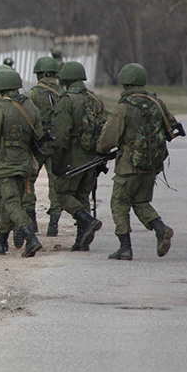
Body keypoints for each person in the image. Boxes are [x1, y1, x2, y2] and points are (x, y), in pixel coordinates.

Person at [97, 63, 180, 260]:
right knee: (141, 201)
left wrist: (100, 149)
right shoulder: (157, 103)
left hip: (128, 166)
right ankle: (161, 229)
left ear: (125, 83)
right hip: (151, 164)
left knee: (119, 203)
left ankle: (125, 247)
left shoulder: (123, 107)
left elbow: (108, 139)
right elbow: (172, 129)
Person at [0, 68, 44, 257]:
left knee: (5, 203)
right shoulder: (30, 107)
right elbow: (40, 135)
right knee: (13, 202)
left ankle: (30, 238)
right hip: (24, 164)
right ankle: (1, 242)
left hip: (3, 166)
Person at [51, 61, 105, 251]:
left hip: (72, 157)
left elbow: (61, 134)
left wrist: (56, 160)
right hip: (92, 156)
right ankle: (82, 239)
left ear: (65, 78)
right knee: (82, 196)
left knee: (63, 194)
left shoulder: (66, 100)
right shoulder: (95, 99)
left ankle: (87, 220)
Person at [26, 56, 63, 237]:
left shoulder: (32, 94)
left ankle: (31, 222)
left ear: (39, 74)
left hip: (38, 146)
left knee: (28, 182)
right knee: (55, 185)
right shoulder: (64, 94)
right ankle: (53, 224)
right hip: (57, 147)